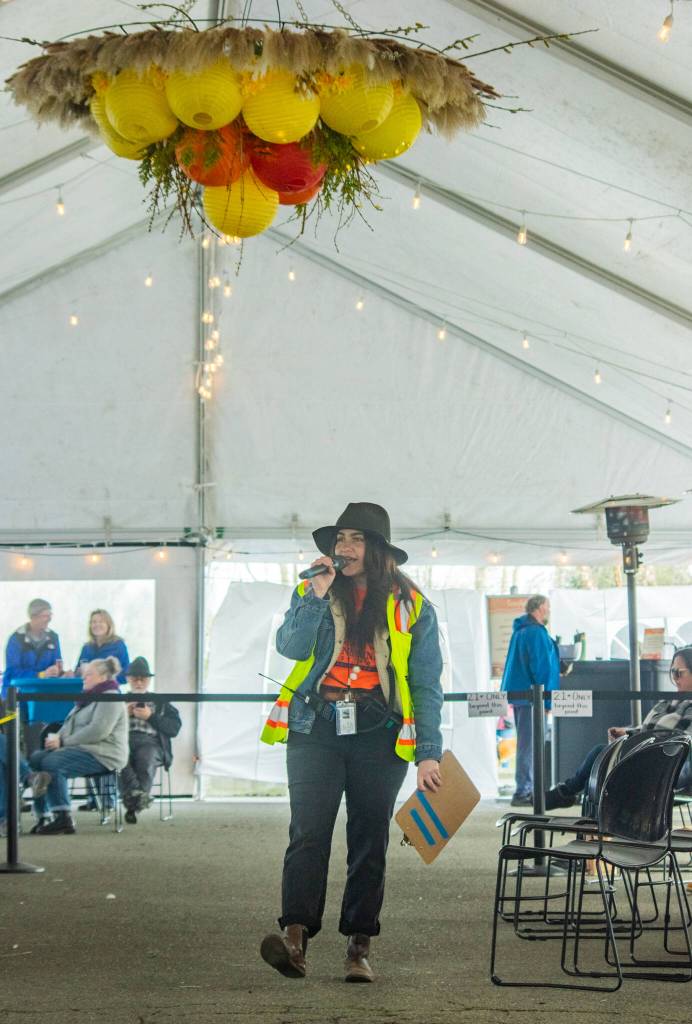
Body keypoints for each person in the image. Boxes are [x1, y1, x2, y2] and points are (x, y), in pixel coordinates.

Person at [259, 502, 444, 983]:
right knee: (308, 831)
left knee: (369, 838)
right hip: (315, 727)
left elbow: (426, 684)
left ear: (378, 549)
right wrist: (315, 596)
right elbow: (291, 647)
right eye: (340, 539)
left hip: (379, 735)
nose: (344, 548)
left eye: (356, 539)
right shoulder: (311, 589)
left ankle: (359, 945)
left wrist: (428, 751)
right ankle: (295, 939)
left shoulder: (413, 605)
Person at [546, 645, 692, 809]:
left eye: (679, 673)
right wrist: (627, 732)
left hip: (667, 767)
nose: (675, 678)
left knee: (601, 755)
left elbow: (681, 740)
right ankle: (587, 820)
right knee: (599, 767)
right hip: (645, 756)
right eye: (671, 673)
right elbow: (650, 729)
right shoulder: (666, 701)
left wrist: (638, 740)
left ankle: (568, 793)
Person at [28, 656, 128, 835]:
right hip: (82, 749)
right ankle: (43, 815)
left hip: (104, 753)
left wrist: (63, 742)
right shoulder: (87, 699)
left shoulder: (110, 697)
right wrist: (57, 738)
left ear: (103, 677)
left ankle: (62, 817)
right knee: (36, 758)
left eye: (89, 674)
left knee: (52, 763)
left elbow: (98, 731)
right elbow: (68, 725)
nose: (84, 678)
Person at [500, 595, 560, 807]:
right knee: (530, 745)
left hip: (521, 696)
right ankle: (524, 791)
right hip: (533, 698)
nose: (549, 610)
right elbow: (541, 667)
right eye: (548, 606)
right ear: (541, 607)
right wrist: (547, 702)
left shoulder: (521, 631)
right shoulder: (535, 632)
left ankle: (526, 788)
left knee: (527, 744)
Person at [119, 656, 181, 825]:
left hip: (151, 742)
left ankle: (133, 804)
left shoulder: (160, 701)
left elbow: (174, 728)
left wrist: (151, 717)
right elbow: (103, 726)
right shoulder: (118, 700)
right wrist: (124, 714)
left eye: (143, 679)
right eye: (134, 679)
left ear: (148, 680)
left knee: (146, 758)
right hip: (122, 741)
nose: (139, 683)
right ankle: (138, 801)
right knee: (118, 757)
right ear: (128, 680)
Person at [2, 598, 62, 700]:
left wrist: (60, 672)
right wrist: (39, 675)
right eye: (45, 616)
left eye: (50, 615)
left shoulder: (53, 637)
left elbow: (57, 663)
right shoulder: (16, 639)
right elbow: (13, 672)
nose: (49, 619)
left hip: (41, 694)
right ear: (33, 616)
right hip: (14, 695)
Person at [74, 609, 130, 686]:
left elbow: (126, 675)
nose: (97, 624)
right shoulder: (86, 647)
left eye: (101, 622)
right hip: (87, 693)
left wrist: (106, 679)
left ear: (109, 625)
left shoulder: (118, 645)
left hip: (108, 692)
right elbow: (78, 673)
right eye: (94, 622)